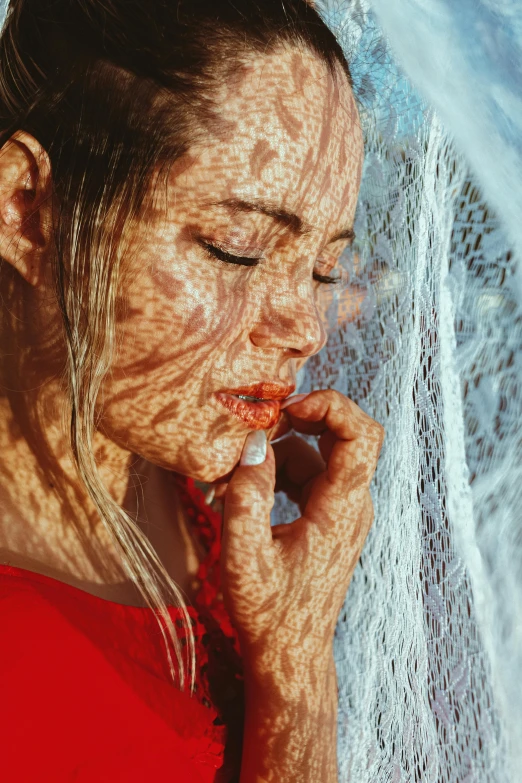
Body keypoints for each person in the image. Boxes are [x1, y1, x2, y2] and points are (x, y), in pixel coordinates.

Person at [0, 0, 383, 780]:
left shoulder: (187, 490)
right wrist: (299, 667)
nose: (304, 325)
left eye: (323, 268)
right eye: (234, 247)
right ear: (26, 208)